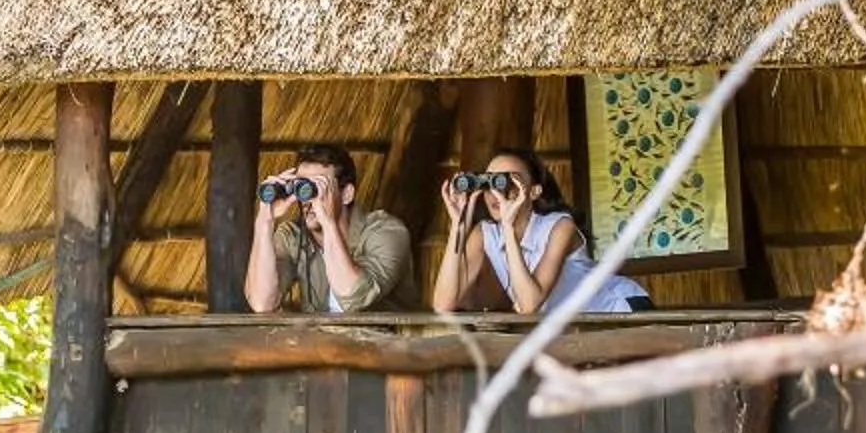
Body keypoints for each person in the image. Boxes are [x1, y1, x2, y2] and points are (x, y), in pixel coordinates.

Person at [432, 147, 652, 318]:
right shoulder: (485, 233)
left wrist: (508, 227)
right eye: (490, 181)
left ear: (534, 192)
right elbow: (443, 304)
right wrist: (458, 224)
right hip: (577, 329)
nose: (497, 192)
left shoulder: (560, 227)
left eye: (508, 181)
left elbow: (529, 305)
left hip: (619, 310)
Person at [244, 141, 414, 315]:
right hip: (321, 340)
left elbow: (355, 298)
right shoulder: (293, 236)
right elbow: (262, 304)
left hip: (383, 340)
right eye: (303, 187)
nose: (309, 201)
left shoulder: (387, 232)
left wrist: (329, 222)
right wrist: (264, 222)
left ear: (347, 194)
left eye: (317, 188)